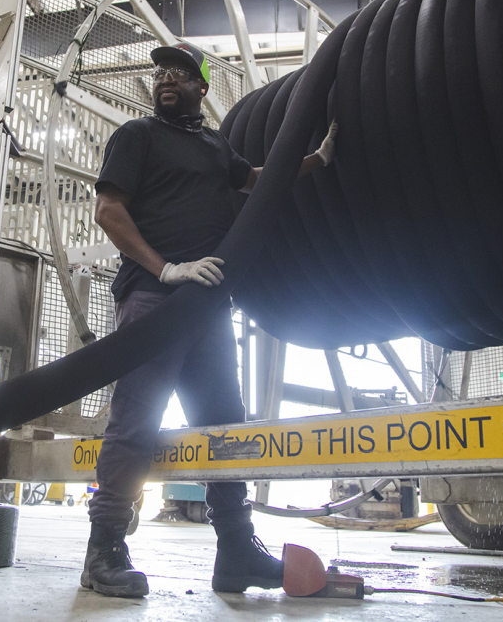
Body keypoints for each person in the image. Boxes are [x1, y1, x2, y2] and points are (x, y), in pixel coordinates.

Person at [82, 42, 338, 598]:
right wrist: (166, 268)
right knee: (136, 422)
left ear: (202, 87)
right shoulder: (137, 136)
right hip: (154, 298)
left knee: (226, 426)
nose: (164, 79)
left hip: (208, 307)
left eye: (178, 72)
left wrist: (317, 159)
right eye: (159, 73)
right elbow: (108, 210)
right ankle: (103, 551)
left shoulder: (213, 146)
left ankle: (236, 552)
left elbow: (260, 181)